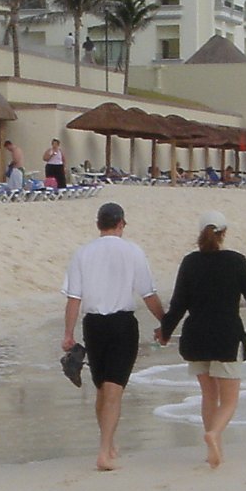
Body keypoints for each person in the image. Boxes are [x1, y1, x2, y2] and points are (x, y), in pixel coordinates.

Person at [157, 211, 246, 469]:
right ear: (223, 234)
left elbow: (178, 303)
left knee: (208, 395)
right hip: (227, 336)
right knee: (230, 400)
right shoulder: (236, 261)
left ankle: (214, 450)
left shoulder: (190, 262)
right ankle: (214, 435)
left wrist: (166, 332)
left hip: (196, 338)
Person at [62, 202, 166, 472]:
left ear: (99, 224)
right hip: (122, 324)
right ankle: (104, 452)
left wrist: (68, 334)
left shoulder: (82, 253)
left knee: (102, 387)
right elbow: (148, 294)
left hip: (93, 325)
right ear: (121, 223)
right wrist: (166, 323)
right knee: (114, 390)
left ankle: (108, 444)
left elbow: (74, 298)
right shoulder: (132, 251)